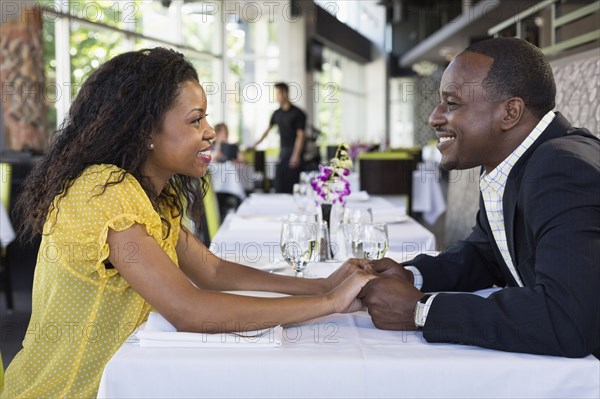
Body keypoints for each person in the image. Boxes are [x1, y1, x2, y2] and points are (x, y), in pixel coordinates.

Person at [1, 48, 374, 398]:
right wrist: (330, 302)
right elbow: (189, 310)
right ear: (145, 130)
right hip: (68, 391)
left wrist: (320, 285)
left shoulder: (150, 196)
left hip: (126, 383)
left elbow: (211, 271)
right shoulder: (105, 191)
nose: (210, 131)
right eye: (196, 119)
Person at [359, 37, 600, 358]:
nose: (434, 117)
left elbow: (567, 319)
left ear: (510, 112)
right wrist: (411, 276)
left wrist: (422, 311)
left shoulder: (562, 167)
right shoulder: (517, 163)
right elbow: (485, 255)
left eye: (452, 103)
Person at [253, 82, 306, 193]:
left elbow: (301, 136)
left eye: (277, 94)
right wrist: (254, 145)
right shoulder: (277, 113)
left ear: (285, 93)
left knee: (292, 183)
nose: (276, 97)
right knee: (279, 183)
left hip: (294, 151)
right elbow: (267, 131)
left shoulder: (298, 113)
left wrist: (296, 155)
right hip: (283, 151)